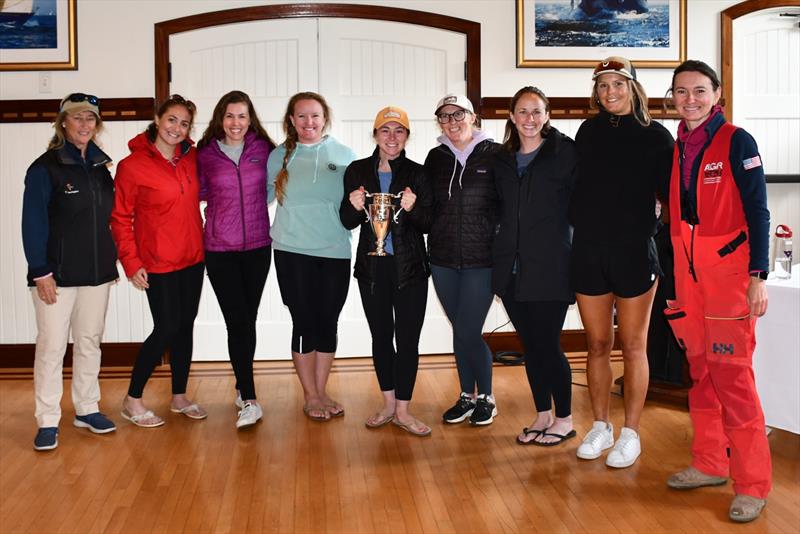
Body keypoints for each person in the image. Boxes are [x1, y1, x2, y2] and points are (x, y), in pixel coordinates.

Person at [663, 60, 771, 523]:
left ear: (717, 93)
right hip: (689, 278)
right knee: (700, 372)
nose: (690, 99)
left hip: (728, 278)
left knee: (734, 379)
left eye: (699, 91)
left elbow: (759, 211)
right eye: (682, 92)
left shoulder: (736, 140)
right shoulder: (678, 144)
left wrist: (758, 275)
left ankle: (752, 484)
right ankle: (709, 462)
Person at [569, 57, 674, 467]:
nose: (609, 92)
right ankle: (601, 425)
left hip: (633, 251)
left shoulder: (656, 136)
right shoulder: (587, 132)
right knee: (596, 345)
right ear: (595, 91)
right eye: (602, 85)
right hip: (590, 250)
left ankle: (631, 432)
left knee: (633, 345)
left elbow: (670, 200)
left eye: (617, 84)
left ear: (633, 87)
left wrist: (648, 230)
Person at [22, 93, 119, 451]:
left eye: (90, 119)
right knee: (51, 347)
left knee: (90, 342)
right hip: (56, 277)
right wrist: (40, 272)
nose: (84, 125)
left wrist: (112, 262)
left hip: (97, 274)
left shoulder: (100, 167)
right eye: (77, 118)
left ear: (97, 125)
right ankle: (47, 419)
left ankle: (87, 407)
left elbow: (110, 219)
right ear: (63, 122)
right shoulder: (44, 168)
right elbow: (32, 224)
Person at [111, 94, 206, 428]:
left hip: (194, 257)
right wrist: (131, 261)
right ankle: (132, 399)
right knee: (166, 326)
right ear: (157, 118)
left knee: (185, 325)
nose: (177, 129)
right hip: (158, 261)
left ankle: (179, 396)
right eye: (171, 120)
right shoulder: (131, 166)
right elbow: (120, 218)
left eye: (184, 123)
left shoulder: (194, 158)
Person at [491, 87, 578, 446]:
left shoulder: (565, 152)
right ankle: (542, 414)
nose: (529, 119)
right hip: (510, 270)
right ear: (511, 116)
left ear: (547, 115)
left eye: (537, 111)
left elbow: (582, 204)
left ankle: (565, 419)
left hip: (550, 266)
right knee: (530, 345)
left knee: (547, 344)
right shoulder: (502, 159)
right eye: (522, 112)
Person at [340, 106, 433, 436]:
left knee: (408, 340)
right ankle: (389, 404)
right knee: (381, 336)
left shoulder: (419, 173)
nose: (392, 137)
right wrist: (351, 205)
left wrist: (413, 208)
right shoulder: (356, 170)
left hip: (410, 270)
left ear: (407, 136)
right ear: (375, 134)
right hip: (372, 269)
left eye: (399, 131)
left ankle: (405, 411)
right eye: (385, 130)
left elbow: (428, 222)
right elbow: (348, 221)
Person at [267, 92, 356, 422]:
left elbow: (354, 205)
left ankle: (323, 391)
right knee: (303, 321)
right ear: (291, 120)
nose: (309, 123)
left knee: (328, 322)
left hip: (334, 251)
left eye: (315, 116)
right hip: (292, 252)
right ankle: (310, 395)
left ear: (325, 118)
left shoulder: (344, 155)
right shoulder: (278, 157)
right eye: (301, 116)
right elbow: (256, 195)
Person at [197, 91, 276, 430]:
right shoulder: (205, 155)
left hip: (258, 246)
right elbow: (191, 193)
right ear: (220, 119)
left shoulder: (264, 150)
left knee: (249, 319)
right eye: (230, 116)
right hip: (220, 250)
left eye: (242, 116)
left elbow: (278, 185)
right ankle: (250, 397)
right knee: (237, 321)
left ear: (250, 119)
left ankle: (243, 387)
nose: (236, 123)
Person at [424, 94, 500, 426]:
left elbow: (507, 206)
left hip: (481, 259)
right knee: (460, 330)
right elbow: (427, 206)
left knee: (469, 330)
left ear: (472, 116)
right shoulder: (436, 157)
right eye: (444, 117)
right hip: (442, 258)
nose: (452, 123)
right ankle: (466, 396)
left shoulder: (496, 154)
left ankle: (486, 397)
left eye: (458, 115)